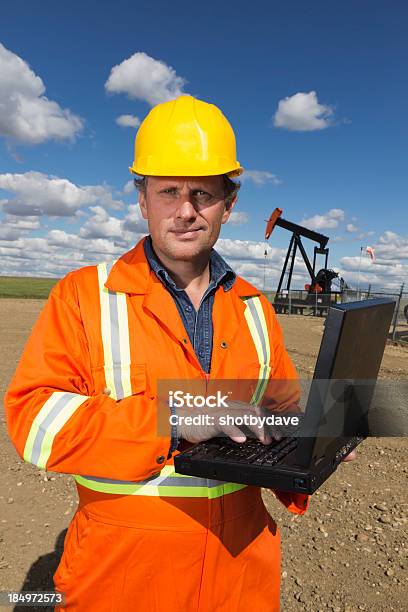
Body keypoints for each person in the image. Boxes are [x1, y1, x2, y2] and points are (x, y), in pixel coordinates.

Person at [4, 95, 355, 611]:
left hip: (241, 577)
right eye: (168, 191)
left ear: (228, 204)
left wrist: (322, 436)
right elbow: (34, 422)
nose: (186, 210)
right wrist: (174, 416)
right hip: (122, 578)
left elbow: (281, 414)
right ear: (142, 199)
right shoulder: (84, 295)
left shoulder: (255, 307)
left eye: (203, 194)